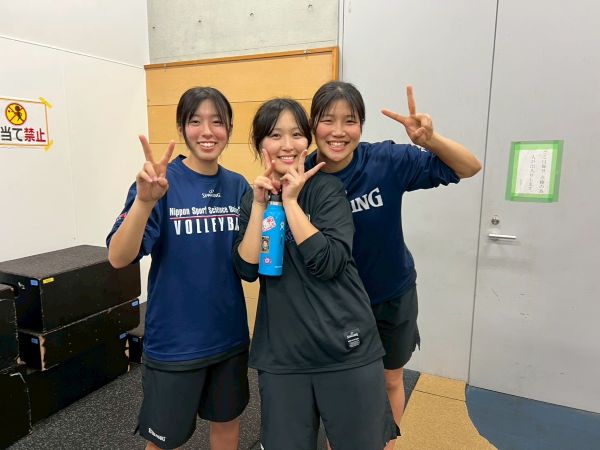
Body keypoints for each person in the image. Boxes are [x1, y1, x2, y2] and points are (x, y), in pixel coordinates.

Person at [305, 81, 482, 443]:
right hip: (335, 303)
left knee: (390, 379)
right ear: (313, 126)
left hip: (391, 295)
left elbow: (470, 167)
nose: (338, 131)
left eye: (349, 120)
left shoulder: (384, 161)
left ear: (361, 125)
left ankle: (387, 443)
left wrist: (430, 140)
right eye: (327, 120)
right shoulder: (302, 176)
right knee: (342, 386)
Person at [233, 98, 398, 450]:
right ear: (260, 144)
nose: (287, 144)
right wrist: (261, 205)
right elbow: (246, 269)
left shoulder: (326, 189)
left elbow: (329, 262)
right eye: (275, 135)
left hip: (345, 347)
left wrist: (291, 202)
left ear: (307, 141)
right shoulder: (253, 199)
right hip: (283, 355)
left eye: (296, 134)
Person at [107, 87, 251, 450]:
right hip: (175, 343)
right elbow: (118, 257)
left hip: (229, 337)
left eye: (217, 122)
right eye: (196, 121)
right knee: (162, 441)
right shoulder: (160, 183)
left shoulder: (238, 186)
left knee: (227, 425)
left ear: (229, 128)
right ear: (182, 128)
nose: (207, 131)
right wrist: (143, 202)